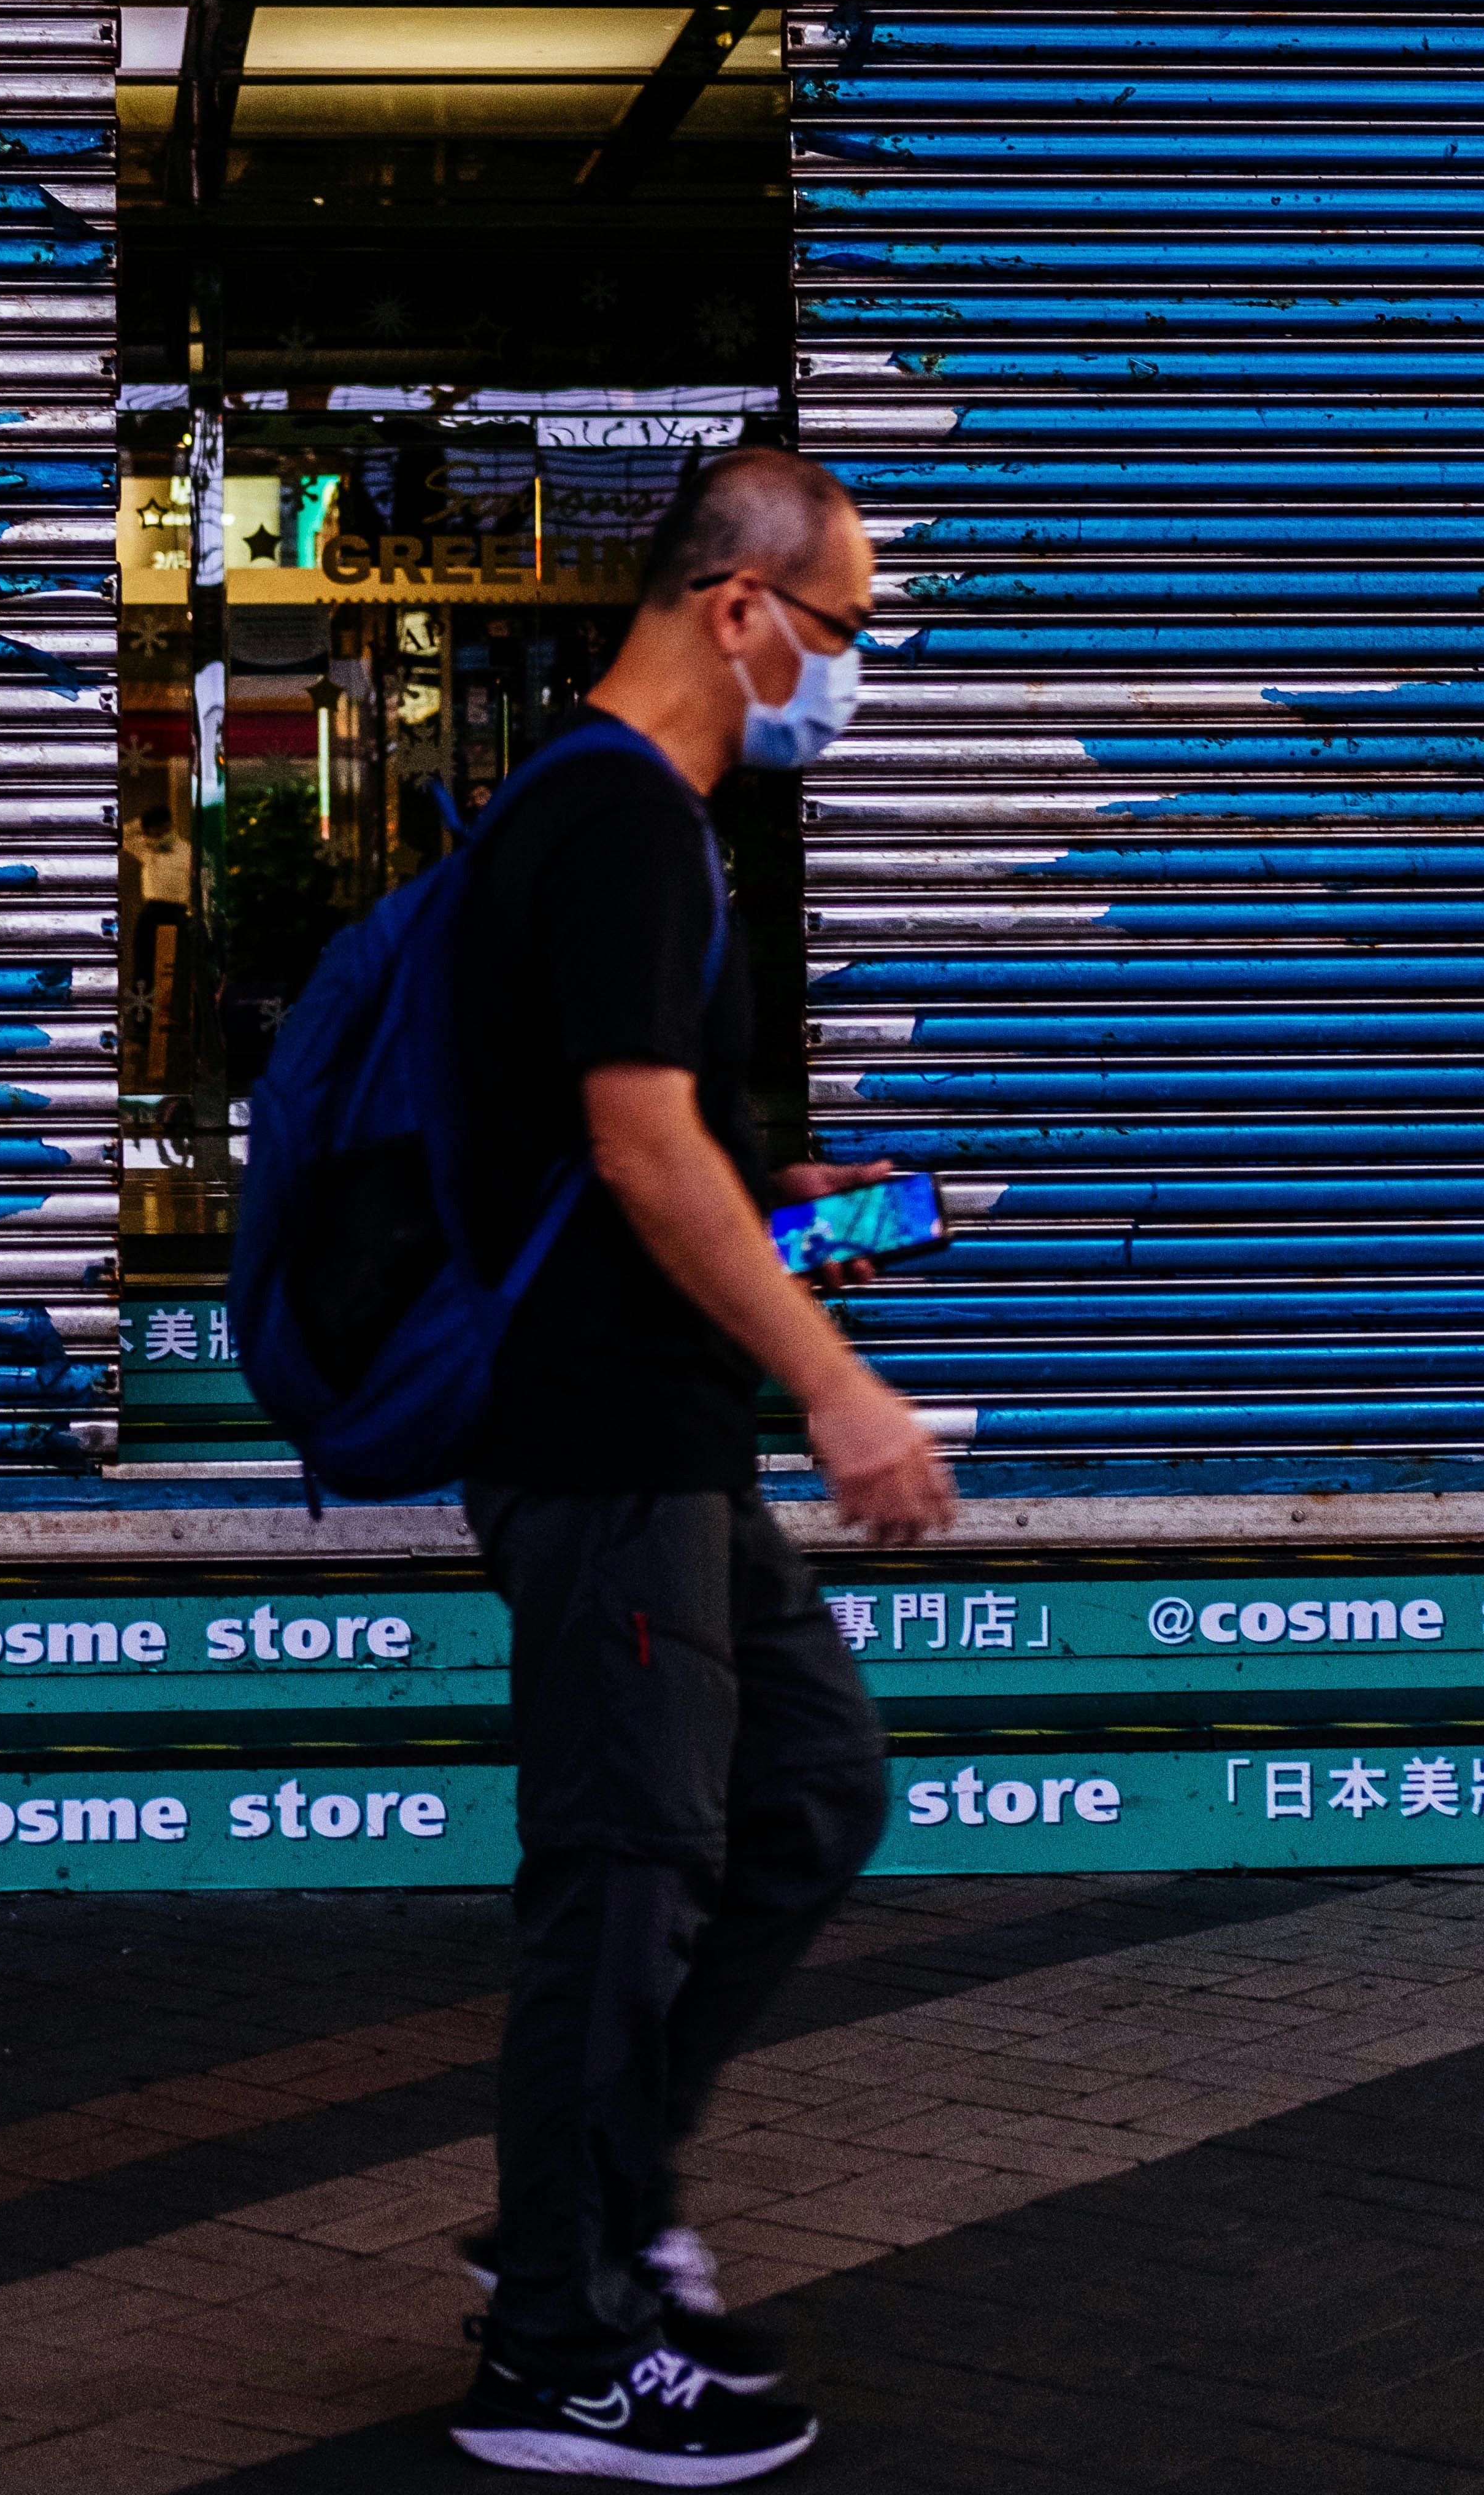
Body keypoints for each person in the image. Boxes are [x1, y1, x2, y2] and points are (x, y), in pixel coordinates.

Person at [448, 445, 956, 2483]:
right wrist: (838, 1384)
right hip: (603, 1454)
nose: (848, 672)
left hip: (665, 1445)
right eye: (840, 628)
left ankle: (593, 2216)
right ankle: (557, 2351)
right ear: (740, 606)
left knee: (810, 1789)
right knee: (628, 1880)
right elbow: (632, 1147)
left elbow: (651, 1146)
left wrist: (788, 1200)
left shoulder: (634, 827)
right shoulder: (620, 818)